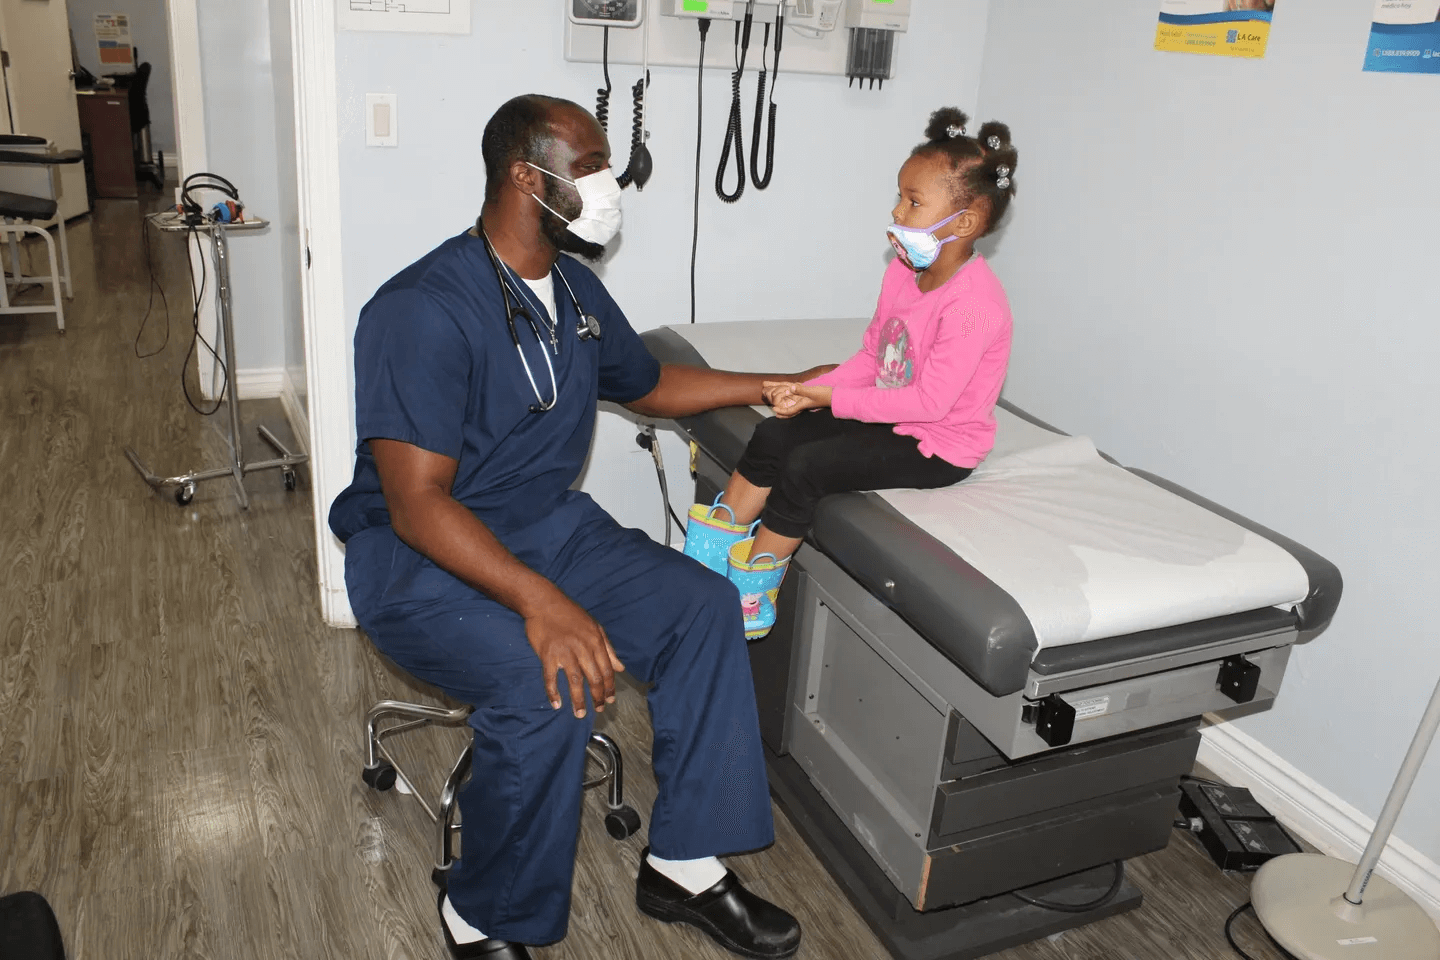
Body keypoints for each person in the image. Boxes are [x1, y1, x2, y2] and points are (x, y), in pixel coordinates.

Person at [328, 94, 830, 960]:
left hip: (549, 528)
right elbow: (416, 505)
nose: (610, 182)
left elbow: (648, 386)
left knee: (701, 606)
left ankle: (685, 864)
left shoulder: (573, 287)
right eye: (591, 165)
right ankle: (479, 914)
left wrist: (777, 382)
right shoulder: (420, 309)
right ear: (528, 178)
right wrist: (541, 604)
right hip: (421, 556)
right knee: (543, 681)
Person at [682, 107, 1017, 640]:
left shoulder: (974, 305)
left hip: (937, 445)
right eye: (899, 196)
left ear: (964, 223)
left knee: (809, 465)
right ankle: (707, 559)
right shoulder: (905, 275)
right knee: (772, 432)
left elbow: (929, 404)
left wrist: (828, 403)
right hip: (892, 419)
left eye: (913, 201)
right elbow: (872, 358)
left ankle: (750, 594)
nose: (897, 211)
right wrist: (811, 391)